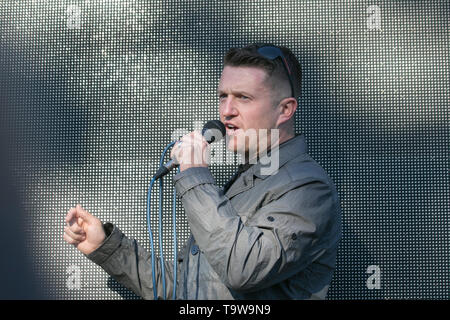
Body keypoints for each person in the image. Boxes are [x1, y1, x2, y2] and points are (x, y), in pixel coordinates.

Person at [63, 43, 342, 299]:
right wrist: (108, 248)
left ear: (284, 110)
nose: (227, 111)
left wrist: (195, 176)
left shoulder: (309, 190)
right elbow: (188, 289)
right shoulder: (241, 185)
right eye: (223, 96)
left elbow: (241, 268)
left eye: (243, 97)